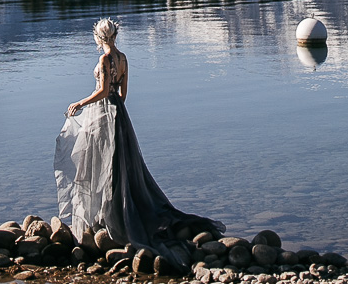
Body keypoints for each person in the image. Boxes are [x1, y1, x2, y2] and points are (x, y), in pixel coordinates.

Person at [54, 17, 223, 268]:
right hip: (120, 114)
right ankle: (116, 213)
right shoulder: (123, 59)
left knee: (105, 163)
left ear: (99, 38)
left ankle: (111, 217)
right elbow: (122, 94)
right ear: (115, 35)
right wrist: (113, 104)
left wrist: (81, 103)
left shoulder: (104, 59)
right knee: (122, 165)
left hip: (104, 114)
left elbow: (102, 91)